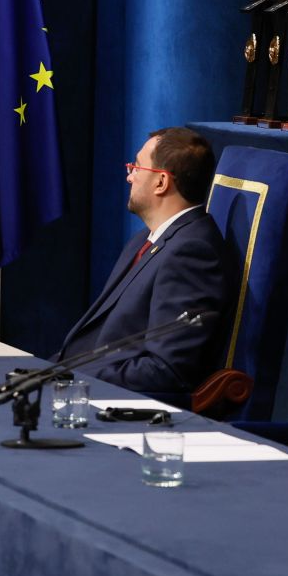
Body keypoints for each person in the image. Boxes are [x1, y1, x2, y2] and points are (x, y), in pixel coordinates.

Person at [57, 127, 237, 403]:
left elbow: (166, 370)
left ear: (161, 182)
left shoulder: (192, 253)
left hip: (113, 408)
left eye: (137, 167)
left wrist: (70, 378)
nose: (129, 176)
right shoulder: (146, 238)